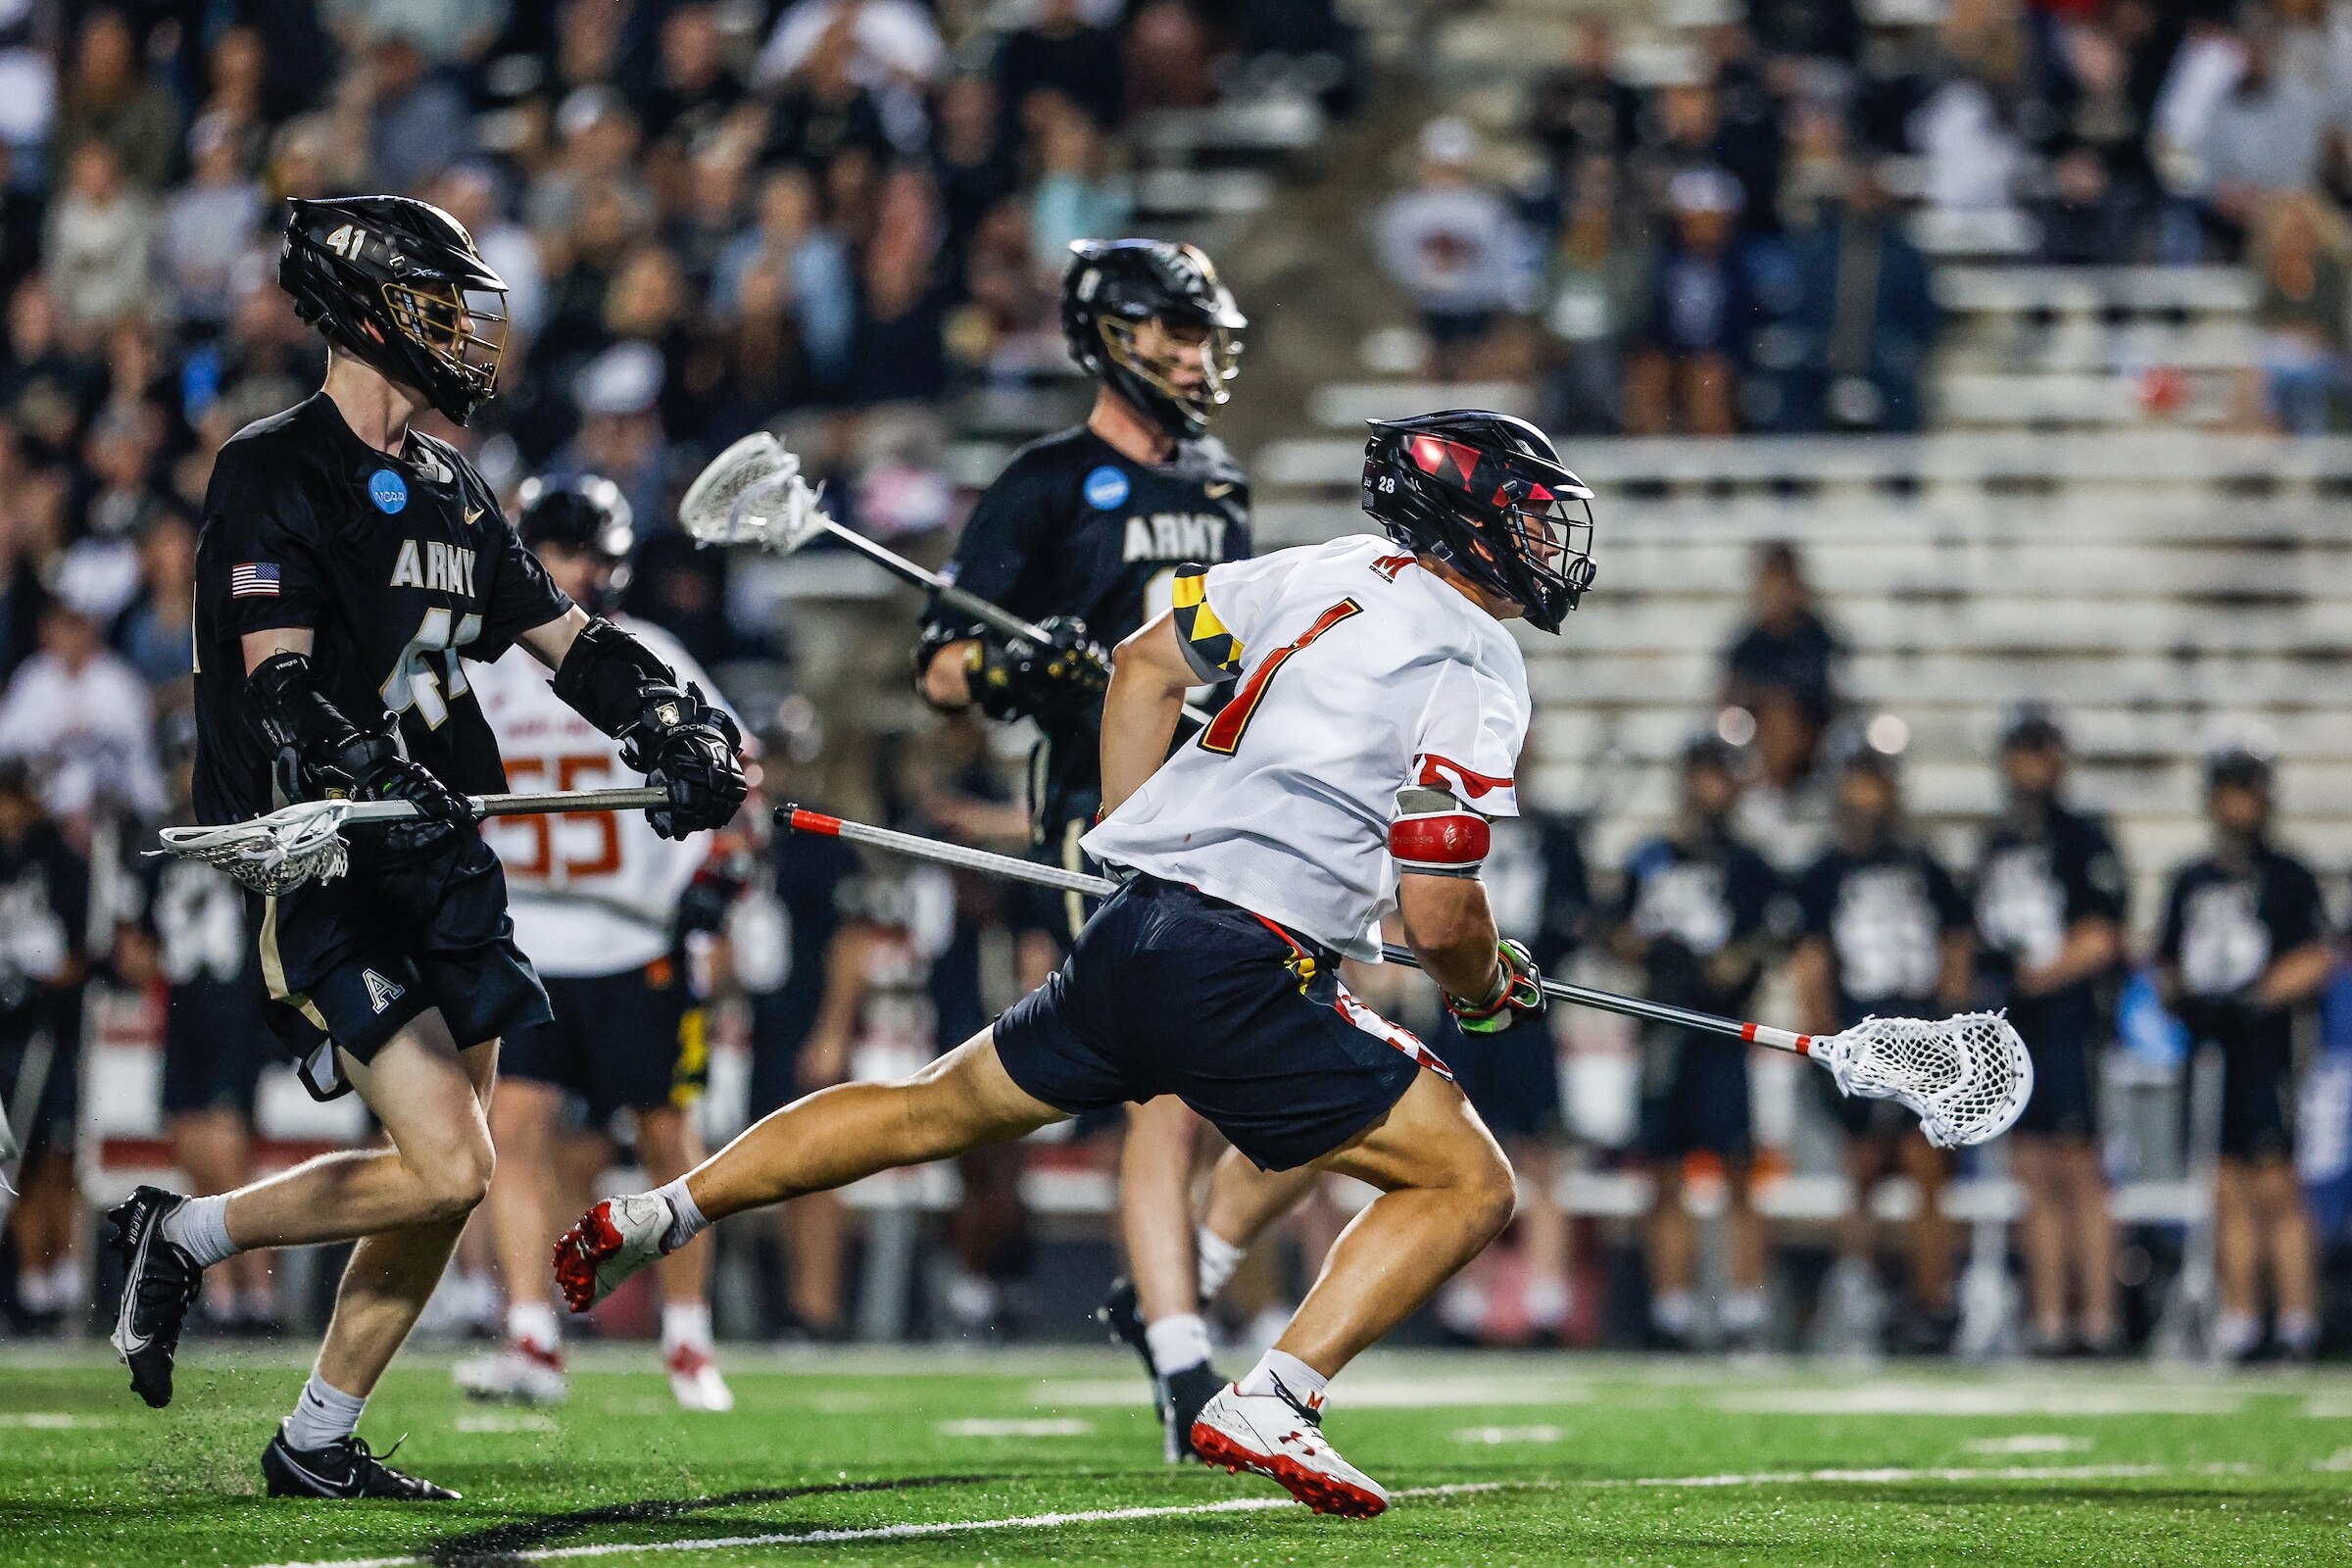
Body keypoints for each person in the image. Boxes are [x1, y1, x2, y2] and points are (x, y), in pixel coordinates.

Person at [558, 409, 1599, 1518]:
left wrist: (1123, 831)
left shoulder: (1332, 566)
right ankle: (1277, 1392)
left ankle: (663, 1212)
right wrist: (1489, 992)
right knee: (1466, 1179)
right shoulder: (1477, 654)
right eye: (1532, 519)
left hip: (1142, 924)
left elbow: (1145, 662)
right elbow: (1441, 919)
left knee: (926, 1107)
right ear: (1471, 518)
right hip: (1243, 960)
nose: (1549, 544)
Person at [104, 195, 746, 1501]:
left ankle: (319, 1438)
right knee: (455, 1158)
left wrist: (669, 727)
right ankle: (182, 1235)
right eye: (443, 302)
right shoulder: (272, 466)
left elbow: (572, 644)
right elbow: (278, 683)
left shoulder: (455, 490)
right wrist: (370, 763)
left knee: (449, 1180)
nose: (466, 330)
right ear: (369, 307)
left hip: (444, 861)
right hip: (325, 856)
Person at [911, 237, 1267, 1459]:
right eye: (1171, 329)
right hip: (1104, 816)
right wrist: (1021, 658)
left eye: (1198, 331)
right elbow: (943, 669)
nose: (1191, 353)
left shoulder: (1220, 481)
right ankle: (1183, 1370)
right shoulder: (1046, 484)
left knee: (1316, 1082)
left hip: (1230, 812)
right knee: (1168, 1093)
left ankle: (1176, 1282)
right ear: (1112, 334)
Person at [454, 476, 741, 1412]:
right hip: (531, 936)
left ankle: (690, 1339)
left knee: (670, 1141)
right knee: (515, 1136)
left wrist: (708, 888)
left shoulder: (646, 654)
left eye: (585, 551)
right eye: (559, 549)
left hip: (631, 938)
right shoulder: (488, 668)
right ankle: (531, 1334)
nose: (574, 570)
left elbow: (736, 778)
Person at [1790, 743, 1973, 1354]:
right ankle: (1861, 1294)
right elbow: (1812, 964)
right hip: (1860, 1036)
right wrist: (1822, 1043)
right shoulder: (1822, 871)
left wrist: (1952, 1027)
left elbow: (1955, 948)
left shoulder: (1925, 864)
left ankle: (1932, 1302)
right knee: (1863, 1167)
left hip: (1924, 1035)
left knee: (1928, 1169)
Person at [2157, 746, 2331, 1363]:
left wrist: (2256, 995)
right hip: (2210, 1047)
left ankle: (2296, 1319)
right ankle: (2240, 1319)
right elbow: (2166, 964)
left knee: (2277, 1184)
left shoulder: (2287, 875)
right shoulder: (2193, 878)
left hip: (2268, 1048)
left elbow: (2317, 956)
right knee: (2225, 1184)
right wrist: (2191, 999)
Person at [1616, 736, 1781, 1351]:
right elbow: (1616, 933)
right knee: (1664, 1171)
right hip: (1663, 1023)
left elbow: (1771, 938)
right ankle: (1672, 1309)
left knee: (1738, 1168)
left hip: (1722, 1033)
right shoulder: (1650, 857)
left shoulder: (1749, 864)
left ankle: (1744, 1309)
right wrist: (1654, 950)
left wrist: (1736, 964)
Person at [1973, 709, 2127, 1355]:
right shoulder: (1996, 841)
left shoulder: (2084, 838)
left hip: (2068, 1023)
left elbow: (2103, 935)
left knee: (2078, 1170)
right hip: (2015, 1026)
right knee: (2031, 1171)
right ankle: (2048, 1320)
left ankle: (2097, 1318)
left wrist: (2038, 974)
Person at [0, 762, 89, 1333]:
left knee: (56, 1155)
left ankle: (65, 1276)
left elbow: (86, 950)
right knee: (17, 1159)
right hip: (6, 1026)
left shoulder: (62, 862)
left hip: (50, 1030)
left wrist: (60, 972)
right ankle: (32, 1283)